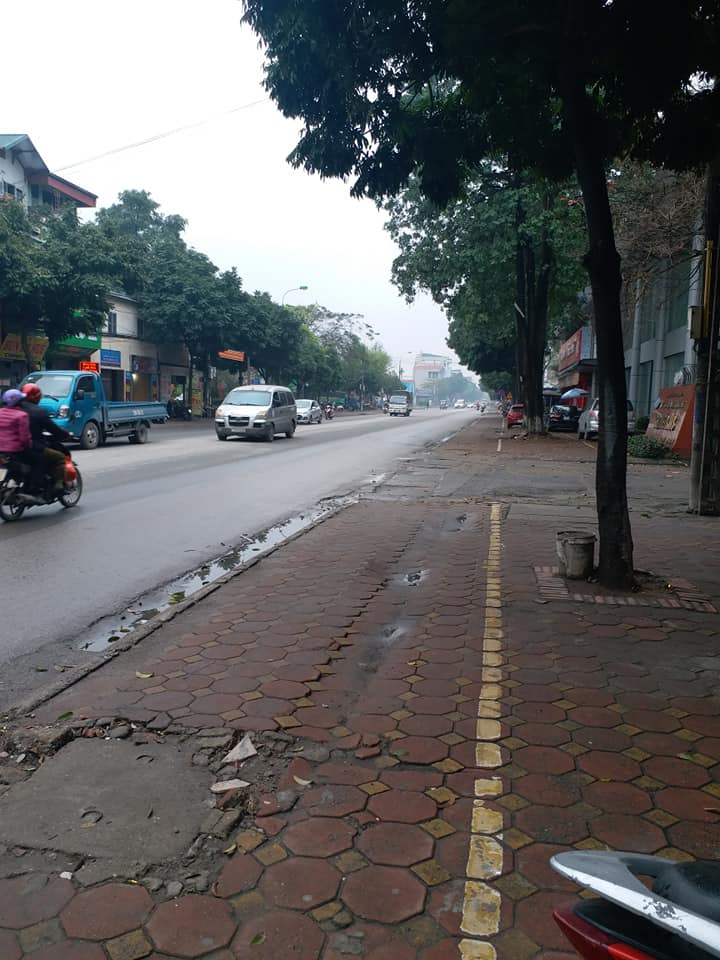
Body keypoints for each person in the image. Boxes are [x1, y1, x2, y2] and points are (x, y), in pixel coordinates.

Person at [19, 383, 74, 493]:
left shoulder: (9, 410)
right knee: (59, 457)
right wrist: (66, 435)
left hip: (9, 448)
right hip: (31, 446)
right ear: (37, 397)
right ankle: (57, 487)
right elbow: (54, 429)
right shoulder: (38, 411)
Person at [0, 390, 33, 461]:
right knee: (38, 460)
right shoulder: (22, 415)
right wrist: (28, 447)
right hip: (14, 452)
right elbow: (24, 438)